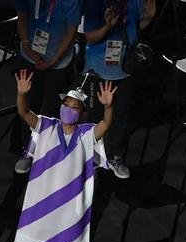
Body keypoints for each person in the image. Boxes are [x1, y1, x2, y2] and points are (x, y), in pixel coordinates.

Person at [12, 71, 115, 242]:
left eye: (75, 106)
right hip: (42, 198)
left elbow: (106, 124)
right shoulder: (45, 125)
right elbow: (23, 112)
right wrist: (21, 93)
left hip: (71, 200)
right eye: (66, 104)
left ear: (81, 113)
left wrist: (108, 106)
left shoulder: (86, 133)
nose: (68, 109)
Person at [80, 0, 154, 179]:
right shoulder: (95, 5)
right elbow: (90, 37)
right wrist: (107, 26)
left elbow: (138, 27)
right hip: (97, 70)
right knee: (95, 118)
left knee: (121, 116)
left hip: (125, 71)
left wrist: (149, 16)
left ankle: (115, 157)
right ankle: (92, 160)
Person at [12, 0, 81, 174]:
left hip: (58, 63)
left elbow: (71, 32)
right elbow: (22, 17)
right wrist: (27, 47)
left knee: (53, 110)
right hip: (29, 57)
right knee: (28, 105)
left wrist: (54, 60)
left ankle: (49, 153)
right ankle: (27, 152)